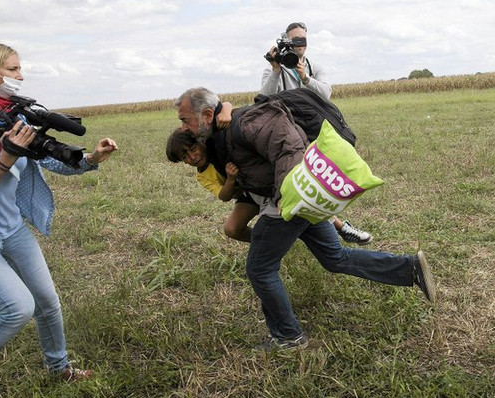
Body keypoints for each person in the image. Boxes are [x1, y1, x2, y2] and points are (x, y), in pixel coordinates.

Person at [174, 87, 436, 351]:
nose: (184, 128)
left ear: (207, 114)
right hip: (298, 200)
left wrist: (284, 196)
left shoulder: (246, 121)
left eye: (185, 120)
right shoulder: (218, 130)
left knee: (260, 269)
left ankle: (288, 336)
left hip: (288, 200)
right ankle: (409, 268)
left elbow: (288, 145)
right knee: (335, 258)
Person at [0, 41, 118, 397]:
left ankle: (58, 368)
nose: (22, 75)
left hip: (9, 228)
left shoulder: (15, 117)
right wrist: (6, 155)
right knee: (17, 307)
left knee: (46, 301)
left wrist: (92, 158)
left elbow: (46, 160)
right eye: (14, 69)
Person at [260, 21, 372, 245]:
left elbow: (326, 93)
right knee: (303, 181)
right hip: (286, 131)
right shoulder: (274, 68)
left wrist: (306, 78)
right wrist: (275, 70)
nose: (299, 44)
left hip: (313, 129)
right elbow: (263, 98)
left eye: (303, 40)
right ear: (286, 42)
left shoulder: (314, 66)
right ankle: (339, 226)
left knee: (318, 180)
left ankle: (329, 227)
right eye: (294, 40)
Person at [166, 128, 259, 242]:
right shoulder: (202, 176)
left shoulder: (218, 146)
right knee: (231, 229)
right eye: (185, 157)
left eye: (193, 149)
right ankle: (266, 241)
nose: (192, 157)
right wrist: (230, 180)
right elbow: (224, 196)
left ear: (201, 141)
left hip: (260, 184)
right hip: (247, 196)